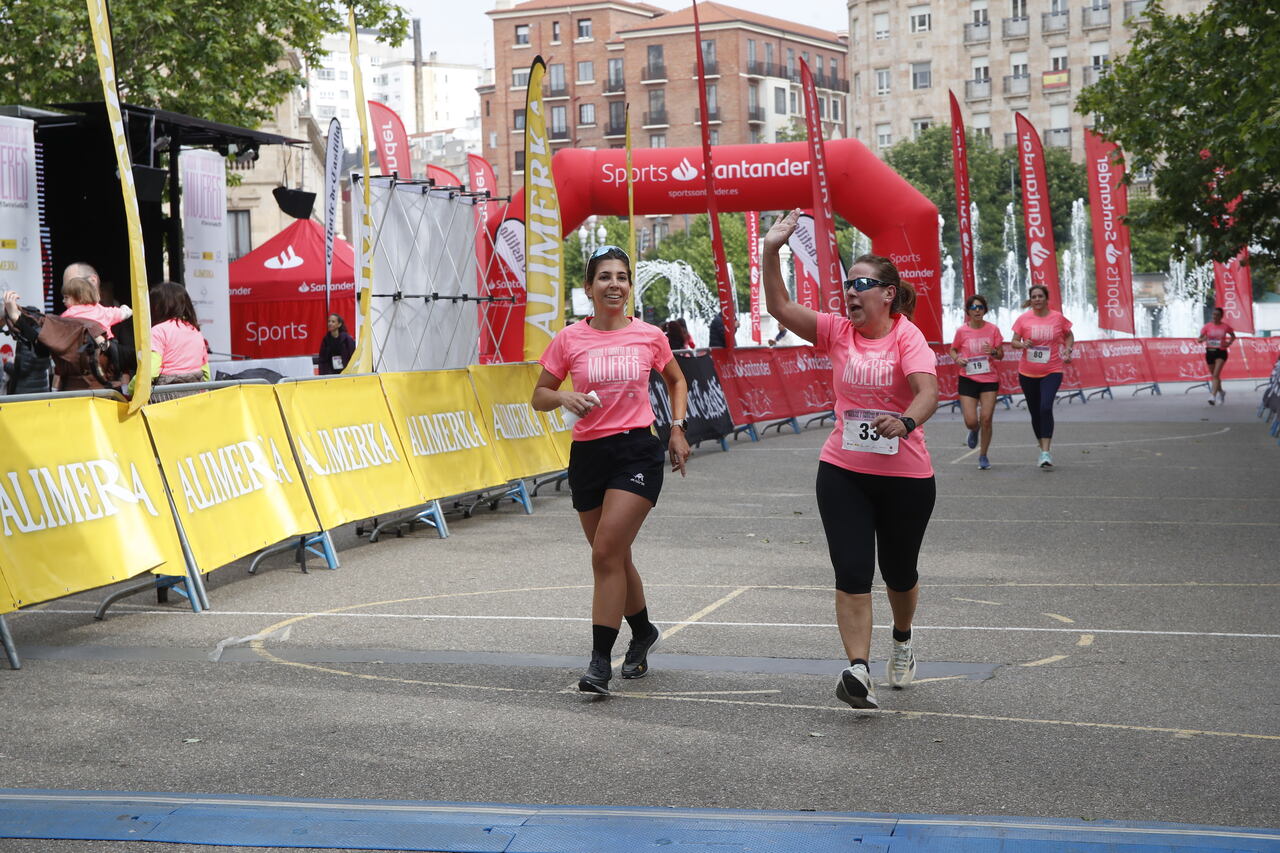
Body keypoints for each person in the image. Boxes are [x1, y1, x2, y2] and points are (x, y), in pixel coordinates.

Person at [762, 208, 938, 711]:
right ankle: (858, 669)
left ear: (887, 293)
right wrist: (772, 250)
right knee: (852, 570)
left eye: (861, 284)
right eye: (847, 284)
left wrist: (905, 421)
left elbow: (928, 392)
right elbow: (779, 306)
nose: (850, 292)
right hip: (843, 471)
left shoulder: (907, 336)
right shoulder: (838, 330)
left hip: (905, 476)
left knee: (899, 573)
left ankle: (901, 640)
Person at [532, 245, 691, 696]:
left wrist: (677, 429)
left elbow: (677, 379)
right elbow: (538, 395)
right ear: (589, 287)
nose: (614, 284)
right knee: (615, 557)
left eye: (622, 277)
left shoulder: (649, 335)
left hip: (637, 451)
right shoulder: (569, 339)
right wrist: (563, 397)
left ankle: (600, 662)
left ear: (629, 287)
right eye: (604, 277)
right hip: (588, 455)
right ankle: (643, 632)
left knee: (604, 553)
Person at [1009, 284, 1073, 468]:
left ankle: (1045, 452)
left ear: (1046, 298)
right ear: (1031, 299)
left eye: (1040, 296)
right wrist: (1022, 344)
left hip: (1052, 370)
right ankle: (1041, 445)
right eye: (1034, 296)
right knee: (1035, 411)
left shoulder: (1057, 318)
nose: (1037, 299)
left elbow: (1069, 336)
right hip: (1027, 372)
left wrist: (1068, 350)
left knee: (1045, 407)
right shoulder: (1023, 319)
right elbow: (1014, 342)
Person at [948, 294, 1004, 470]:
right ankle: (973, 430)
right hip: (968, 378)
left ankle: (983, 455)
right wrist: (957, 359)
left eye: (980, 307)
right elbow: (953, 350)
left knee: (986, 418)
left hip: (989, 379)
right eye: (974, 308)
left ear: (985, 310)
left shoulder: (993, 329)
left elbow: (1001, 355)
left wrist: (994, 351)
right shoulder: (962, 331)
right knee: (972, 421)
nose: (977, 310)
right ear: (968, 312)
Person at [130, 282, 209, 392]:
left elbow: (150, 371)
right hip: (195, 398)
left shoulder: (158, 331)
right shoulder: (195, 331)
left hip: (165, 400)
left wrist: (131, 387)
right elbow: (206, 373)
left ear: (156, 307)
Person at [2, 290, 53, 394]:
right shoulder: (44, 334)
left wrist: (7, 365)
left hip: (24, 391)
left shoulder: (27, 337)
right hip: (43, 389)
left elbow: (23, 370)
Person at [61, 276, 132, 339]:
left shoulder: (68, 314)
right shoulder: (100, 310)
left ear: (79, 297)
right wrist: (126, 310)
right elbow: (117, 314)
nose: (63, 301)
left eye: (66, 297)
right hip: (99, 350)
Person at [1197, 307, 1236, 405]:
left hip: (1221, 352)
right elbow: (1199, 339)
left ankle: (1213, 396)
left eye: (1217, 315)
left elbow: (1233, 336)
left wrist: (1229, 343)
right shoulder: (1207, 326)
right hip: (1210, 352)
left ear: (1221, 316)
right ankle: (1221, 392)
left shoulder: (1225, 327)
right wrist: (1203, 339)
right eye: (1214, 314)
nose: (1215, 316)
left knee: (1215, 374)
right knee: (1215, 376)